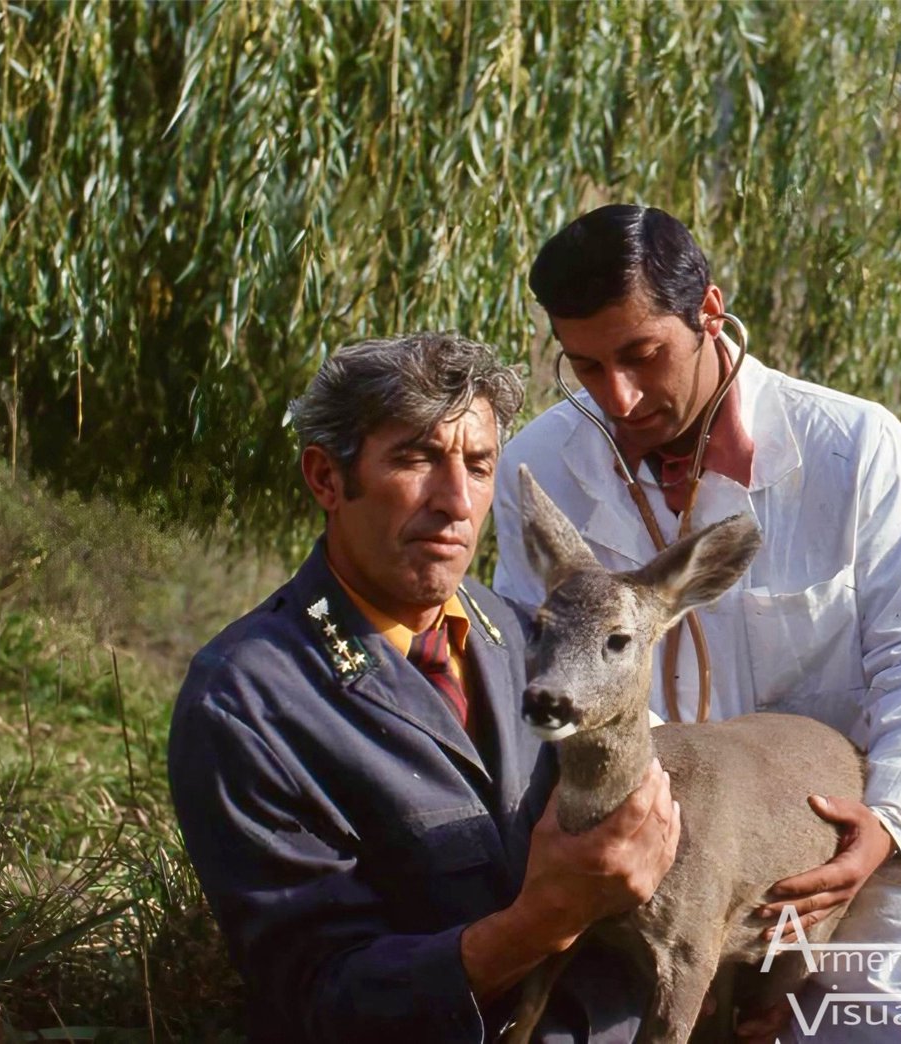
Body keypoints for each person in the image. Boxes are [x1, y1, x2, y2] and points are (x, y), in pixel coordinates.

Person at [492, 204, 901, 1042]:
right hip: (640, 881)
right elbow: (539, 665)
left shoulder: (853, 448)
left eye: (644, 355)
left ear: (710, 313)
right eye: (587, 368)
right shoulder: (536, 467)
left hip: (837, 878)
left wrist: (888, 825)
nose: (621, 395)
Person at [168, 332, 680, 1043]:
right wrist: (544, 919)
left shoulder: (534, 640)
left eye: (478, 466)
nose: (456, 502)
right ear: (325, 477)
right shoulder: (248, 701)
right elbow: (325, 996)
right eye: (415, 458)